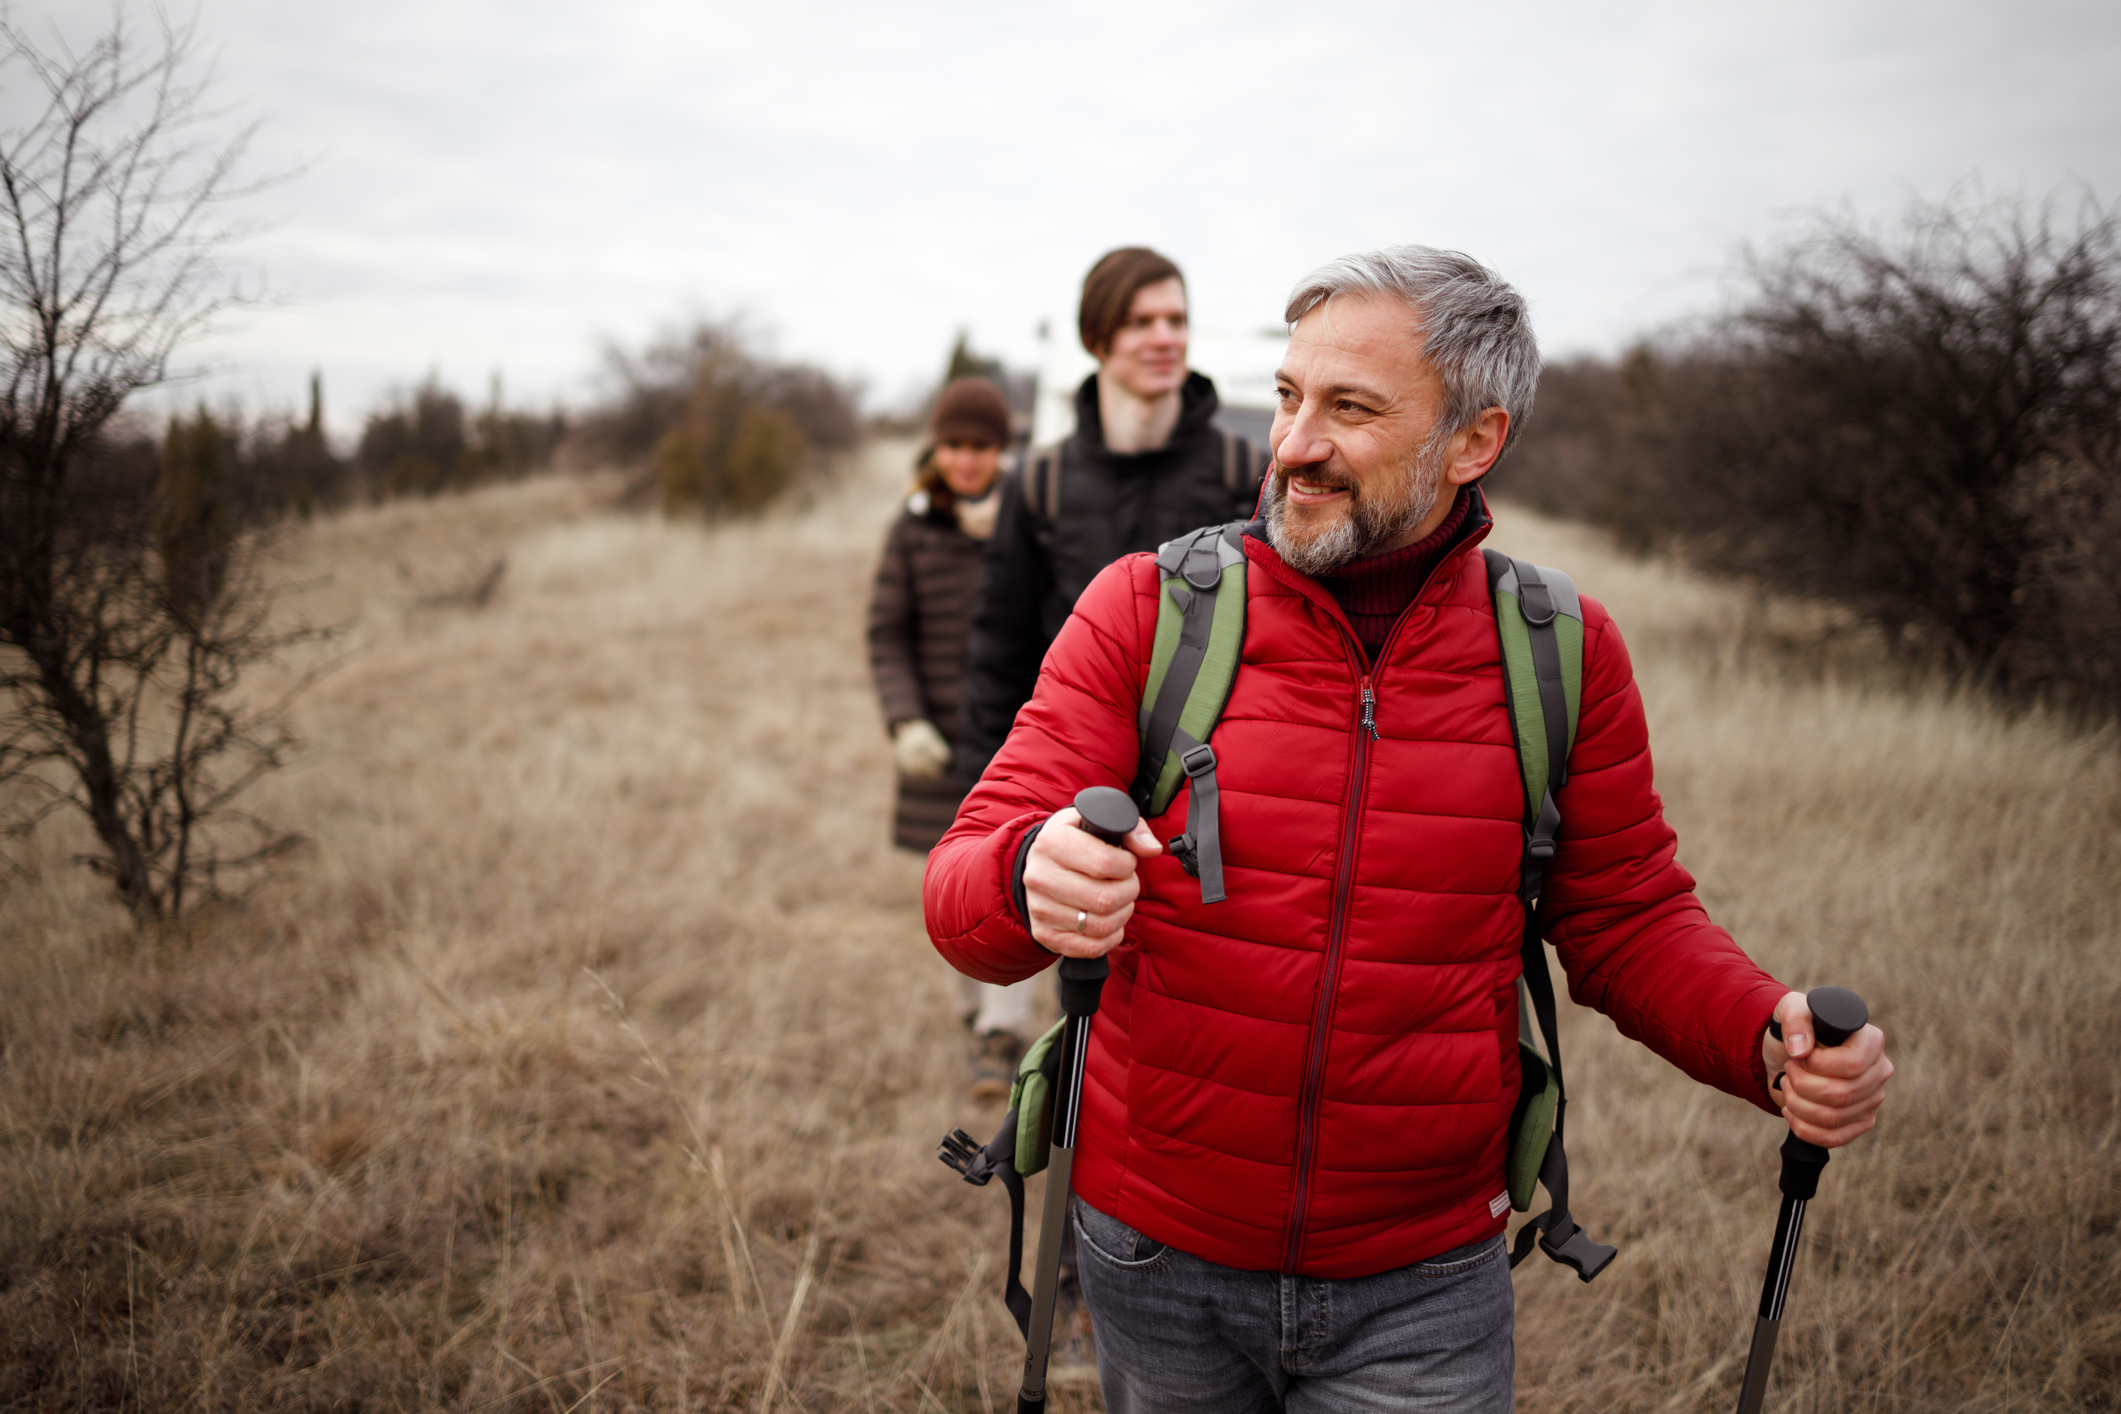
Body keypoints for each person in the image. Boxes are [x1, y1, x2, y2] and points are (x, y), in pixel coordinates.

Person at [923, 246, 1895, 1412]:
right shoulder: (1148, 609)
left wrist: (1764, 1037)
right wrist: (1029, 871)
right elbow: (964, 889)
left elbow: (1628, 918)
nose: (1292, 444)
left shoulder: (1559, 653)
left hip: (1423, 1282)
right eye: (1288, 397)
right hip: (1154, 1251)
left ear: (1474, 441)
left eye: (1350, 409)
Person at [955, 246, 1267, 785]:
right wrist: (983, 806)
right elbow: (999, 655)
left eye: (1176, 319)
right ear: (1095, 339)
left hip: (1211, 786)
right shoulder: (1038, 484)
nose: (1165, 337)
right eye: (1139, 322)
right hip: (1071, 775)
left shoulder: (1246, 473)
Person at [867, 377, 1040, 1101]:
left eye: (981, 447)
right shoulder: (910, 529)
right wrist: (904, 721)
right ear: (936, 449)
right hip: (936, 746)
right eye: (954, 446)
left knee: (1016, 880)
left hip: (1014, 741)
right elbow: (886, 633)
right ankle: (973, 1015)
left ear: (1001, 451)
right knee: (953, 885)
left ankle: (1001, 1033)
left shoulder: (1028, 521)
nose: (967, 460)